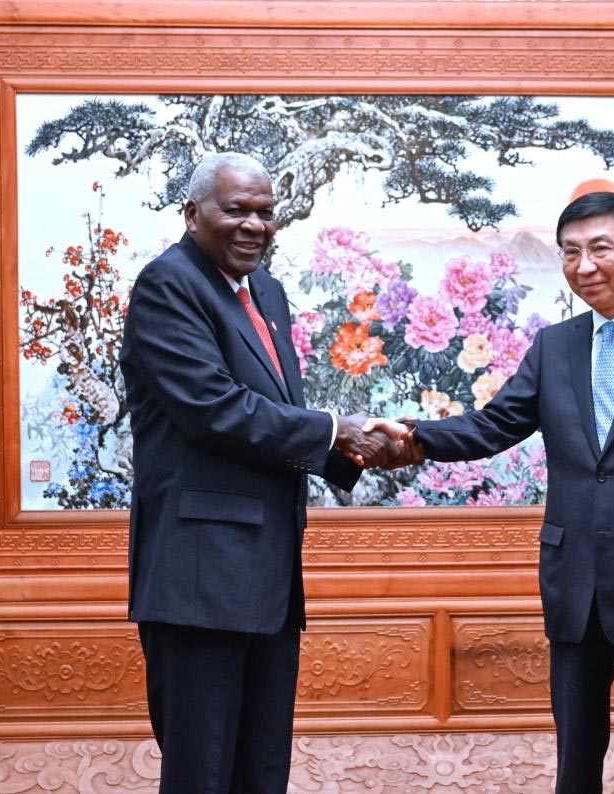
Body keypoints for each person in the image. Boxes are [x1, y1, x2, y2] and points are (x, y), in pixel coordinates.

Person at [374, 191, 614, 793]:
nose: (584, 266)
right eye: (570, 253)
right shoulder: (555, 345)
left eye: (600, 248)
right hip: (574, 580)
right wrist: (411, 436)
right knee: (575, 752)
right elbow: (494, 425)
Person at [119, 152, 404, 794]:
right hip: (200, 580)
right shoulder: (169, 285)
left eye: (265, 213)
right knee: (202, 771)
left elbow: (277, 414)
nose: (254, 225)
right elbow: (213, 409)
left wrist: (352, 449)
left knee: (262, 767)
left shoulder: (264, 291)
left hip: (268, 578)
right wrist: (335, 430)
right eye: (236, 210)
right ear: (193, 215)